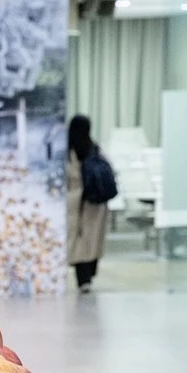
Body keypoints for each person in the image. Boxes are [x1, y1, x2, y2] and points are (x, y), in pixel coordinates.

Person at [67, 114, 110, 293]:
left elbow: (70, 175)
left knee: (79, 240)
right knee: (93, 240)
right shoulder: (94, 148)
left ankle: (83, 279)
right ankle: (89, 275)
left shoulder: (69, 151)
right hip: (97, 203)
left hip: (77, 201)